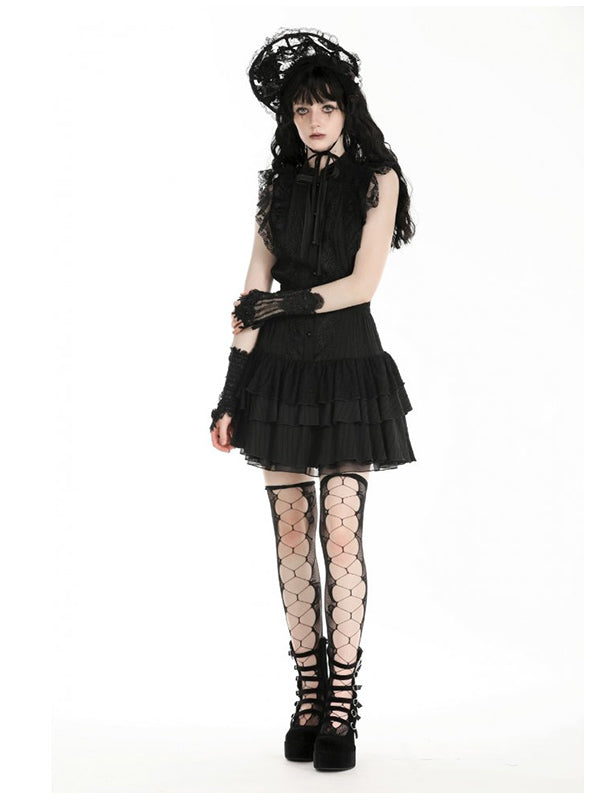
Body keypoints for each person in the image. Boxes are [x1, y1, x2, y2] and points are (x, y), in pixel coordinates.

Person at [209, 27, 416, 771]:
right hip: (280, 380)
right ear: (288, 118)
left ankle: (342, 700)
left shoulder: (378, 178)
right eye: (302, 109)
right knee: (292, 536)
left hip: (349, 370)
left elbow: (363, 284)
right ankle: (308, 689)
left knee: (341, 535)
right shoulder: (277, 188)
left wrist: (286, 304)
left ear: (347, 109)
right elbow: (250, 293)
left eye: (327, 106)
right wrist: (229, 395)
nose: (315, 119)